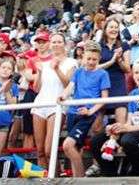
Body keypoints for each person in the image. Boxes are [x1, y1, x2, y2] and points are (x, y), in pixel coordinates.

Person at [91, 59, 139, 176]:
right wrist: (117, 128)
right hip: (134, 131)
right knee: (96, 141)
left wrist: (126, 129)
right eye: (136, 72)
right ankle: (110, 174)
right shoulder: (133, 94)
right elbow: (130, 123)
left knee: (127, 141)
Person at [60, 41, 110, 178]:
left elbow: (104, 99)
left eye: (94, 59)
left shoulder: (102, 74)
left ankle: (80, 178)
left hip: (87, 114)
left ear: (99, 59)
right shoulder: (78, 72)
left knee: (67, 145)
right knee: (75, 148)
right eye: (88, 58)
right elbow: (70, 88)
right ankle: (77, 177)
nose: (91, 62)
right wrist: (63, 96)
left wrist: (90, 111)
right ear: (83, 58)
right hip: (72, 112)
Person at [31, 33, 77, 170]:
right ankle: (43, 179)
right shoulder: (44, 64)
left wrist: (56, 69)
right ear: (50, 45)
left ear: (64, 44)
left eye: (59, 42)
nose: (56, 44)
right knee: (40, 151)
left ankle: (55, 177)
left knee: (49, 150)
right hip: (40, 104)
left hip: (57, 105)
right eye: (54, 42)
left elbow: (68, 84)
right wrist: (39, 73)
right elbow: (36, 88)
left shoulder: (72, 62)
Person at [95, 20, 131, 135]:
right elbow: (93, 68)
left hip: (118, 85)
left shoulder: (124, 45)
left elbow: (127, 69)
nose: (114, 30)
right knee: (96, 127)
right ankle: (101, 146)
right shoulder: (98, 46)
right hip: (101, 86)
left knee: (120, 125)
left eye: (116, 27)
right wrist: (111, 62)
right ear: (105, 29)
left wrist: (119, 59)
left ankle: (116, 146)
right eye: (111, 27)